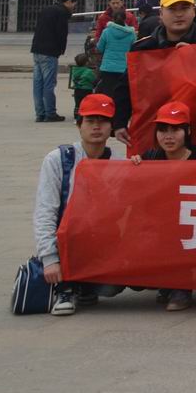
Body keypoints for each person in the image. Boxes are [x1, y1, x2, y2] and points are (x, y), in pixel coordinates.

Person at [34, 92, 119, 315]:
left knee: (111, 286)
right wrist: (49, 259)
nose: (96, 127)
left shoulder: (119, 163)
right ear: (79, 125)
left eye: (103, 121)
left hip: (100, 241)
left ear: (111, 126)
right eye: (90, 121)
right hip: (66, 240)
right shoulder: (58, 159)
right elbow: (45, 211)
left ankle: (86, 285)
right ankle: (66, 287)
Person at [133, 101, 196, 310]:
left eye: (175, 130)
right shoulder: (149, 159)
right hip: (157, 226)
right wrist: (133, 167)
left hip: (192, 227)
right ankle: (165, 282)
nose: (168, 136)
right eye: (163, 130)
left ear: (187, 131)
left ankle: (182, 287)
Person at [29, 0, 75, 121]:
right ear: (69, 2)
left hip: (37, 49)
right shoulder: (61, 13)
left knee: (38, 83)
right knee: (49, 83)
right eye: (74, 4)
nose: (73, 8)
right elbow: (61, 34)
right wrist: (61, 50)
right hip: (49, 52)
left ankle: (40, 113)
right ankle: (50, 113)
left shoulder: (47, 9)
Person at [92, 1, 137, 128]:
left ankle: (108, 118)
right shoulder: (131, 34)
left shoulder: (107, 32)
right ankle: (119, 120)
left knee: (108, 94)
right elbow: (134, 50)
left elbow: (100, 48)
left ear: (112, 18)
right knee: (122, 95)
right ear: (125, 19)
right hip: (124, 68)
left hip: (108, 68)